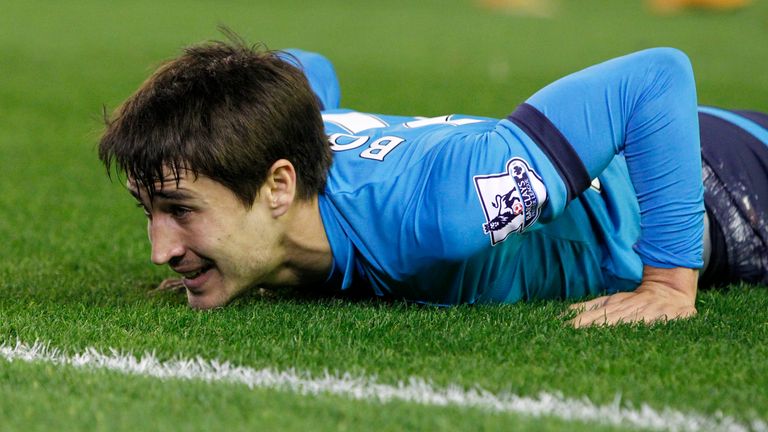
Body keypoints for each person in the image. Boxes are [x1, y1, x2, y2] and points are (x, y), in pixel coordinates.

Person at [98, 37, 768, 327]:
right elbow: (306, 70)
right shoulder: (285, 139)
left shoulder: (439, 211)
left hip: (732, 187)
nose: (161, 249)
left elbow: (653, 78)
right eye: (150, 211)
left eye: (181, 210)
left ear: (279, 187)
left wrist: (669, 281)